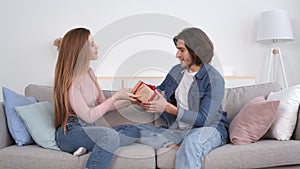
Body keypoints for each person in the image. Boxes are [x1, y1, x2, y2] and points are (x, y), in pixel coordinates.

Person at [133, 27, 229, 168]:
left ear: (196, 50)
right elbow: (160, 90)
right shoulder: (176, 71)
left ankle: (180, 144)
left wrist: (167, 107)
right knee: (132, 130)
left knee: (192, 142)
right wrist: (143, 95)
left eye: (181, 50)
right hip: (179, 130)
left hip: (209, 129)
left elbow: (203, 119)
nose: (177, 54)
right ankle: (174, 143)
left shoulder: (214, 79)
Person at [53, 27, 140, 169]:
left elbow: (102, 104)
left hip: (90, 130)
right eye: (92, 44)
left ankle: (89, 147)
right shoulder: (71, 81)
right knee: (109, 135)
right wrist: (116, 96)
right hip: (71, 132)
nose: (97, 46)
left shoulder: (89, 73)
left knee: (134, 130)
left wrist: (129, 101)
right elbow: (88, 116)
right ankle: (90, 147)